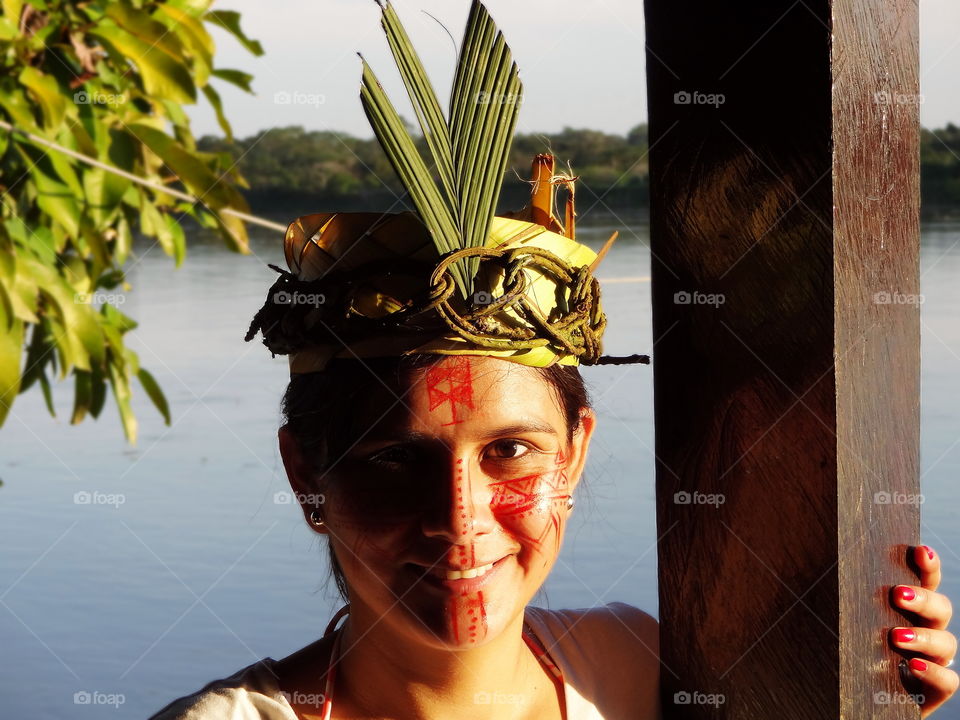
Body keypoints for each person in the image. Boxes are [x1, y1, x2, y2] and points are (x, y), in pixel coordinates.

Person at [148, 1, 957, 717]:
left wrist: (866, 689)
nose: (459, 520)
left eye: (510, 451)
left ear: (575, 455)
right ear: (304, 474)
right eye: (395, 458)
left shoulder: (633, 670)